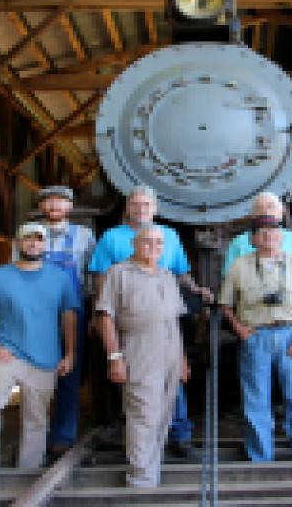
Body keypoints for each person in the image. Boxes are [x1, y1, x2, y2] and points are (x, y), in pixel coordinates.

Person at [89, 185, 212, 457]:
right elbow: (100, 279)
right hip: (128, 316)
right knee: (135, 378)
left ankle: (177, 432)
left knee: (172, 376)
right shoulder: (111, 237)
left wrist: (196, 289)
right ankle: (139, 439)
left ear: (155, 209)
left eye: (146, 204)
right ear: (127, 208)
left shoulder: (169, 235)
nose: (141, 208)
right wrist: (99, 314)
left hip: (164, 318)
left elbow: (180, 273)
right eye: (136, 204)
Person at [0, 222, 78, 476]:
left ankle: (29, 468)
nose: (33, 243)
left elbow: (68, 317)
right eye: (28, 239)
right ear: (17, 243)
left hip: (46, 358)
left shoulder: (59, 278)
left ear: (45, 244)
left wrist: (70, 353)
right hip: (7, 354)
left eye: (39, 239)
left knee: (36, 417)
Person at [219, 215, 292, 462]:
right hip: (256, 337)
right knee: (256, 400)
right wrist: (238, 328)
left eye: (273, 231)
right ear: (253, 239)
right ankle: (260, 456)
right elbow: (225, 304)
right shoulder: (238, 266)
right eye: (262, 232)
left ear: (281, 236)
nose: (269, 236)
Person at [95, 224, 189, 487]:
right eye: (148, 242)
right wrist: (114, 357)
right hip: (139, 347)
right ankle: (140, 477)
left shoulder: (168, 276)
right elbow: (106, 317)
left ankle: (152, 469)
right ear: (135, 244)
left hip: (170, 350)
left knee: (163, 414)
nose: (154, 247)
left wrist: (181, 359)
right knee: (143, 413)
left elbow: (174, 321)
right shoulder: (118, 273)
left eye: (159, 243)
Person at [33, 185, 96, 454]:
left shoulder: (84, 236)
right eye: (48, 201)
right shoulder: (29, 235)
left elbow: (92, 276)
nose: (54, 206)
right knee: (36, 374)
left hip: (73, 311)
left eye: (60, 201)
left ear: (70, 207)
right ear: (41, 207)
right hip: (36, 314)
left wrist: (93, 312)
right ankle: (35, 434)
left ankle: (63, 434)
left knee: (70, 375)